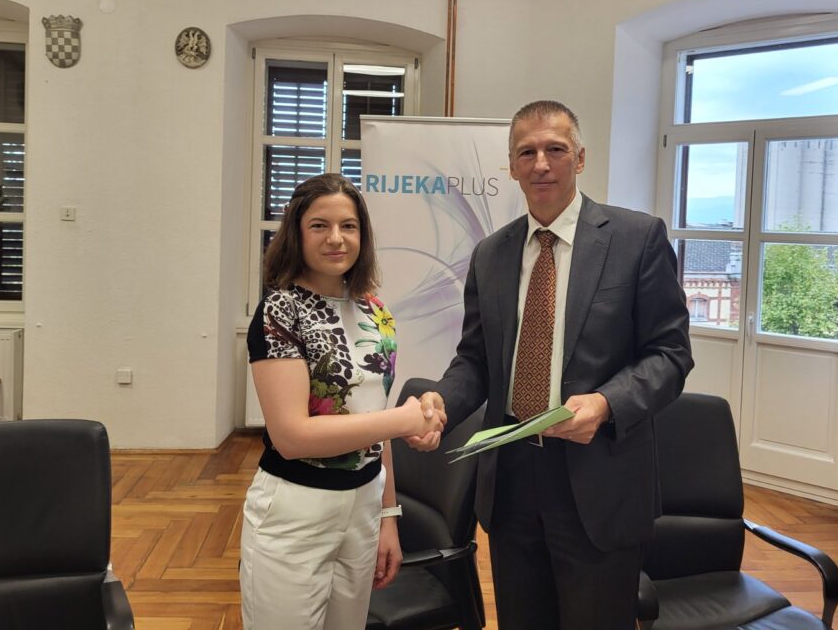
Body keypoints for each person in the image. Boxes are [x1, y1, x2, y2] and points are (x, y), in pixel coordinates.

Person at [409, 100, 694, 630]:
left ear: (580, 158)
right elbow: (476, 360)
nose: (541, 163)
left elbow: (671, 354)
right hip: (511, 481)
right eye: (527, 152)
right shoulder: (491, 254)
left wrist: (607, 404)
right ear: (511, 166)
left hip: (599, 480)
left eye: (555, 149)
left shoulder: (636, 239)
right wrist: (441, 401)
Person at [242, 172, 444, 630]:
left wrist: (388, 516)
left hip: (365, 505)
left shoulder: (376, 312)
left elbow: (376, 422)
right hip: (295, 510)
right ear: (296, 233)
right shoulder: (280, 310)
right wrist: (404, 419)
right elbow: (292, 437)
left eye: (348, 226)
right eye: (319, 225)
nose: (336, 238)